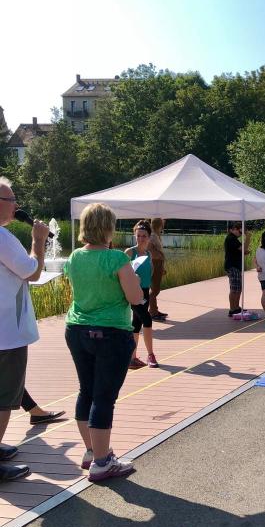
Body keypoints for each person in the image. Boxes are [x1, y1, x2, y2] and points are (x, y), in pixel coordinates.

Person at [64, 202, 144, 482]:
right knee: (104, 397)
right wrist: (135, 283)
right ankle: (102, 462)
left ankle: (92, 451)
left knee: (86, 391)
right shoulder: (116, 259)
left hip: (77, 329)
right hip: (110, 331)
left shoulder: (74, 256)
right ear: (108, 228)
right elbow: (135, 298)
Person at [0, 176, 48, 482]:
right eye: (12, 199)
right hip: (6, 333)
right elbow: (32, 272)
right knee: (4, 397)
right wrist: (38, 241)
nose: (17, 205)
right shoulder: (3, 238)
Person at [124, 220, 159, 368]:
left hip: (144, 292)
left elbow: (149, 273)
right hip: (133, 292)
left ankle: (132, 358)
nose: (140, 239)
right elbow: (121, 273)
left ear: (149, 237)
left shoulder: (149, 254)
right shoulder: (130, 252)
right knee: (147, 319)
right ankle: (151, 355)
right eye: (138, 235)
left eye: (144, 236)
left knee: (136, 323)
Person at [223, 222, 251, 317]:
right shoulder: (231, 238)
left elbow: (242, 250)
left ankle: (236, 307)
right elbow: (243, 249)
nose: (241, 234)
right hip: (232, 266)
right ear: (234, 229)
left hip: (236, 266)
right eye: (240, 231)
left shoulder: (234, 239)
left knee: (238, 288)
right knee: (234, 289)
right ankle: (232, 309)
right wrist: (248, 237)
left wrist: (245, 251)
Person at [148, 217, 167, 320]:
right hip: (155, 263)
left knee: (156, 288)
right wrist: (158, 256)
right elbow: (149, 250)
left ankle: (154, 310)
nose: (163, 225)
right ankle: (152, 312)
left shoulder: (156, 235)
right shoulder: (152, 236)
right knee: (155, 289)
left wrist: (162, 266)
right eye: (162, 224)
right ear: (159, 225)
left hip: (158, 263)